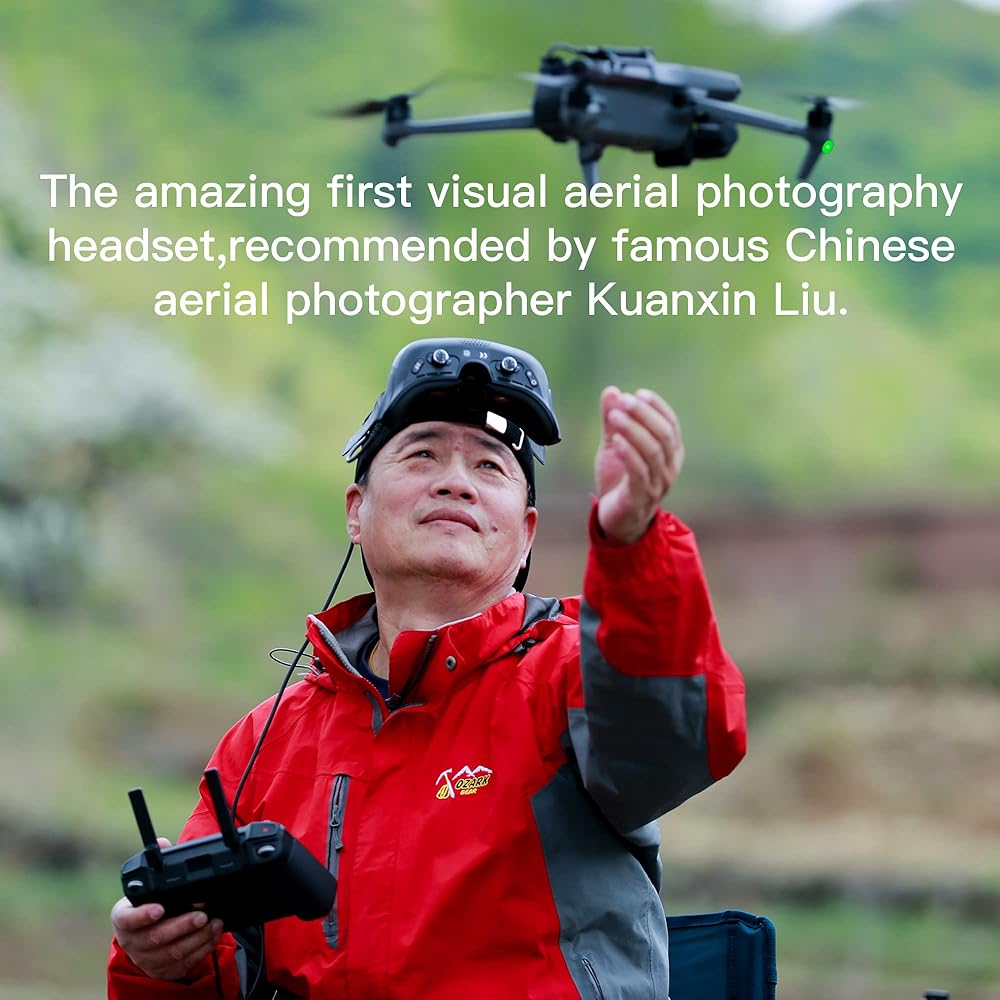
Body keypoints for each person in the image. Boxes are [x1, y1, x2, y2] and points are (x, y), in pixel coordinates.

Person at [107, 337, 747, 1000]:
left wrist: (634, 547)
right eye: (422, 454)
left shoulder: (575, 673)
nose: (456, 481)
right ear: (356, 512)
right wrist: (162, 960)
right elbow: (218, 969)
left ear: (526, 534)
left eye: (490, 465)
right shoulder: (265, 742)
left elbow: (676, 746)